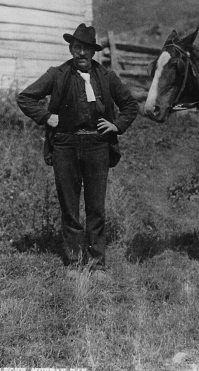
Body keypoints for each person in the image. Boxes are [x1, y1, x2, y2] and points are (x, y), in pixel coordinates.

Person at [17, 23, 138, 276]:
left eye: (86, 49)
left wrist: (116, 125)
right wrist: (47, 117)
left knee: (96, 207)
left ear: (93, 52)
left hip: (97, 146)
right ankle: (73, 262)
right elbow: (25, 97)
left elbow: (130, 105)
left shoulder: (106, 77)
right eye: (76, 47)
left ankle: (97, 264)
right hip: (65, 145)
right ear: (71, 49)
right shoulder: (58, 74)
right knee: (69, 206)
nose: (81, 53)